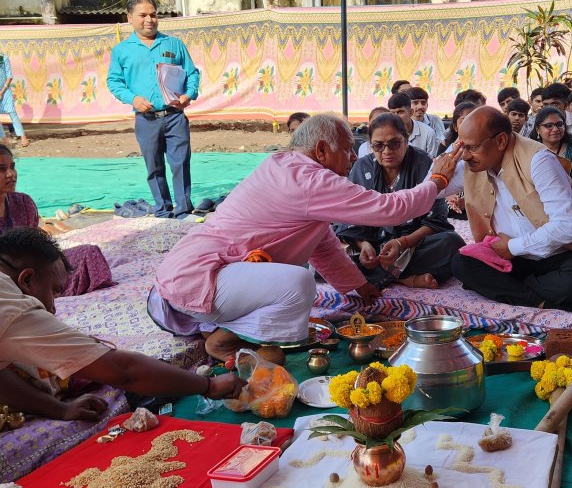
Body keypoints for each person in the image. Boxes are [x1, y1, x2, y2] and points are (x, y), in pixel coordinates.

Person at [150, 114, 462, 360]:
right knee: (298, 284)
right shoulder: (308, 177)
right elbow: (390, 210)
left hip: (193, 281)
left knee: (443, 244)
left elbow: (322, 242)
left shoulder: (287, 167)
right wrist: (437, 179)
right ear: (322, 150)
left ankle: (220, 325)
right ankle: (227, 339)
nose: (355, 157)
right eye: (347, 149)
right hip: (200, 281)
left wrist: (357, 286)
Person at [0, 227, 245, 422]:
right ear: (27, 279)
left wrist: (58, 409)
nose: (54, 307)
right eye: (54, 291)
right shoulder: (13, 305)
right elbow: (123, 371)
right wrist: (209, 385)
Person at [446, 106, 572, 315]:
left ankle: (510, 291)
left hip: (556, 256)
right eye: (462, 147)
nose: (465, 156)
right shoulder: (472, 163)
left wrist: (514, 247)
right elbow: (433, 189)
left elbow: (569, 226)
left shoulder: (539, 160)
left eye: (471, 147)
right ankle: (544, 303)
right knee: (461, 263)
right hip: (508, 259)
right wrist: (445, 163)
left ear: (500, 141)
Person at [335, 114, 465, 289]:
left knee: (451, 243)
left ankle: (383, 275)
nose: (387, 151)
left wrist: (401, 242)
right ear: (370, 145)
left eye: (394, 143)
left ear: (406, 139)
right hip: (373, 243)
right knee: (328, 249)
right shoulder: (362, 167)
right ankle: (402, 277)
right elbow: (350, 217)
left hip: (412, 244)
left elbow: (436, 219)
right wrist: (363, 244)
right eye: (378, 145)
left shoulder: (423, 163)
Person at [107, 0, 200, 219]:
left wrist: (189, 95)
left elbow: (192, 73)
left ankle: (184, 211)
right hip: (146, 119)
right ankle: (162, 210)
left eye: (153, 15)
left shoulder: (173, 44)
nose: (149, 19)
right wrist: (132, 98)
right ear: (130, 18)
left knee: (180, 164)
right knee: (154, 167)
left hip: (175, 116)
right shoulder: (121, 50)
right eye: (143, 15)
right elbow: (114, 81)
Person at [0, 145, 113, 297]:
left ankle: (48, 291)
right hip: (6, 277)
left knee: (89, 253)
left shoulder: (23, 203)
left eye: (12, 167)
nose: (11, 174)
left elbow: (36, 246)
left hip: (31, 268)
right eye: (1, 169)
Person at [532, 107, 572, 195]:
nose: (555, 129)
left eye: (559, 124)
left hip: (569, 196)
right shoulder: (531, 150)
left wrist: (555, 195)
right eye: (549, 125)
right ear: (537, 129)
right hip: (537, 198)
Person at [542, 83, 572, 160]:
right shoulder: (538, 122)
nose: (549, 108)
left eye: (555, 104)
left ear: (565, 105)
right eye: (545, 104)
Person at [388, 92, 438, 157]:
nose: (396, 117)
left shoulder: (428, 133)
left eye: (400, 112)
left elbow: (431, 162)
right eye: (392, 113)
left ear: (411, 112)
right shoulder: (386, 133)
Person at [0, 53, 29, 147]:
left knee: (12, 112)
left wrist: (2, 91)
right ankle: (3, 138)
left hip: (5, 89)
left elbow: (9, 76)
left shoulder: (3, 57)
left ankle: (23, 136)